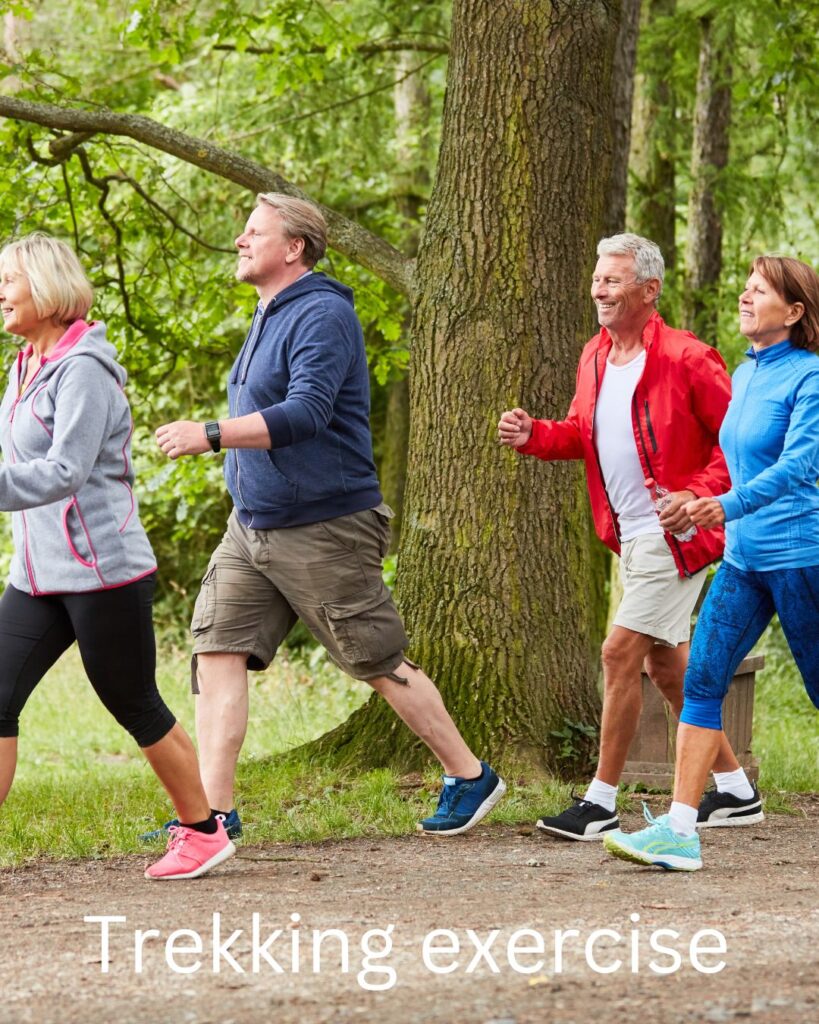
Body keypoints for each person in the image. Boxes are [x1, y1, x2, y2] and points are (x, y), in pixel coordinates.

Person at [148, 192, 505, 839]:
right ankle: (211, 818)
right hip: (252, 524)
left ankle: (468, 773)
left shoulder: (321, 313)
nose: (239, 240)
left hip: (323, 525)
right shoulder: (268, 312)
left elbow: (307, 412)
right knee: (217, 649)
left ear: (294, 248)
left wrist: (212, 432)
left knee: (374, 656)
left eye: (254, 231)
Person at [498, 233, 752, 841]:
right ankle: (738, 792)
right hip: (629, 538)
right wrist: (535, 434)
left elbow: (739, 445)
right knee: (668, 670)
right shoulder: (593, 355)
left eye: (612, 280)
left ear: (649, 289)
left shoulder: (690, 358)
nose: (599, 290)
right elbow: (584, 435)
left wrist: (696, 495)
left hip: (678, 535)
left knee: (618, 653)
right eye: (597, 279)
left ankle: (601, 800)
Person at [0, 232, 233, 880]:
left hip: (102, 571)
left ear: (45, 289)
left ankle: (202, 830)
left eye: (8, 281)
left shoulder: (85, 370)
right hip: (37, 574)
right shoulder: (26, 363)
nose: (0, 294)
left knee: (132, 702)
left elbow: (66, 470)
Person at [604, 254, 819, 871]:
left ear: (795, 312)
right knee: (701, 681)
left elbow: (801, 466)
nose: (746, 298)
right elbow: (730, 459)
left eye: (761, 292)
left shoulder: (809, 377)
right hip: (744, 560)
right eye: (746, 288)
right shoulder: (747, 372)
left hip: (801, 557)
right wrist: (700, 499)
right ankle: (679, 832)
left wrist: (723, 505)